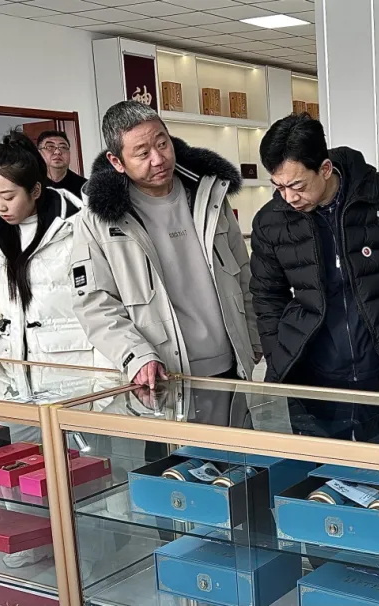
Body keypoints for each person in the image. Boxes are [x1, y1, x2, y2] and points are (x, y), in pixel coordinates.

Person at [71, 101, 259, 427]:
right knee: (175, 459)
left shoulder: (209, 197)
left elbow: (244, 275)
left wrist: (253, 340)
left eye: (162, 144)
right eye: (142, 153)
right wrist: (136, 356)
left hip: (231, 368)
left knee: (238, 456)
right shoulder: (98, 219)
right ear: (117, 162)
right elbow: (95, 304)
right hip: (160, 379)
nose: (158, 159)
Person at [249, 113, 379, 445]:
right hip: (313, 375)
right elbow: (267, 296)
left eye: (297, 185)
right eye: (279, 186)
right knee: (321, 468)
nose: (288, 197)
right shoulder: (271, 222)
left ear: (325, 169)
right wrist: (281, 357)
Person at [0, 130, 111, 399]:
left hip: (77, 375)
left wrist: (106, 390)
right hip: (13, 376)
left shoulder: (79, 226)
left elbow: (105, 308)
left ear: (36, 190)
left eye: (8, 196)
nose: (0, 206)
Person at [37, 130, 86, 198]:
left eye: (63, 147)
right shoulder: (31, 184)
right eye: (50, 147)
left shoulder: (85, 187)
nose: (57, 152)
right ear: (39, 153)